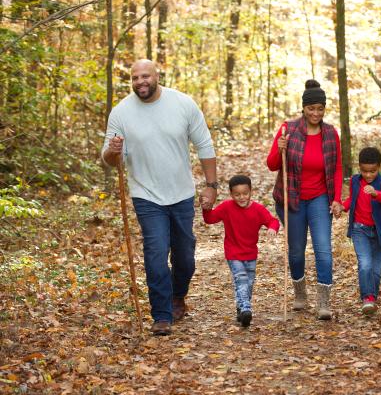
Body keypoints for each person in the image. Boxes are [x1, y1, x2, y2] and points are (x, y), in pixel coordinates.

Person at [101, 59, 218, 336]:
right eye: (135, 78)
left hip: (181, 194)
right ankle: (162, 314)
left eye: (145, 76)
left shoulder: (183, 104)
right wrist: (114, 150)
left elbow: (205, 145)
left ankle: (178, 295)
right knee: (155, 255)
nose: (140, 81)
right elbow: (108, 159)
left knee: (185, 257)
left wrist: (211, 185)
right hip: (146, 195)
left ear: (156, 76)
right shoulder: (121, 113)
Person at [266, 79, 343, 320]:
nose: (316, 113)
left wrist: (337, 198)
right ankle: (300, 294)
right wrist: (280, 148)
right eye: (311, 109)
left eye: (320, 109)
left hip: (320, 199)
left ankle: (323, 302)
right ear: (303, 108)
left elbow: (338, 167)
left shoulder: (330, 133)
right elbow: (271, 165)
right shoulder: (288, 130)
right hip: (293, 199)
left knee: (323, 249)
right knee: (297, 250)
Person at [202, 175, 279, 327]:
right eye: (237, 194)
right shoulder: (226, 207)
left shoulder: (258, 209)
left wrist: (272, 228)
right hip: (233, 253)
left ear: (251, 192)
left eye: (245, 193)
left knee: (248, 284)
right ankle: (246, 309)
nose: (241, 197)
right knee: (241, 279)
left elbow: (273, 220)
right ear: (231, 194)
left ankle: (241, 308)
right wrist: (206, 208)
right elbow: (210, 219)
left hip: (251, 253)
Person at [341, 147, 381, 315]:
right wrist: (342, 207)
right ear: (359, 167)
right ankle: (367, 298)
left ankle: (372, 299)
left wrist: (375, 193)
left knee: (376, 271)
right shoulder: (355, 181)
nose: (368, 175)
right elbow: (351, 199)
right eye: (364, 171)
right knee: (365, 264)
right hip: (359, 229)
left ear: (379, 167)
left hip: (379, 233)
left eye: (373, 171)